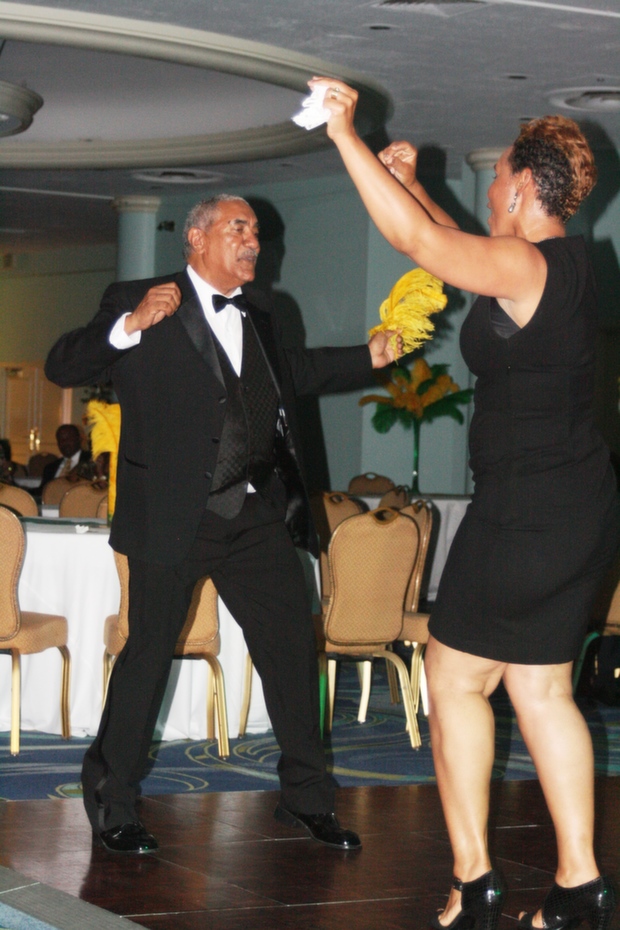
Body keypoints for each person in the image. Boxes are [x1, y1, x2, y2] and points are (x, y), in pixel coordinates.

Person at [310, 76, 620, 930]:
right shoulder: (567, 265)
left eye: (497, 180)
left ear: (522, 189)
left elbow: (417, 241)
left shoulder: (525, 265)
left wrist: (345, 135)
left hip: (524, 508)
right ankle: (579, 888)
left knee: (452, 678)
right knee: (542, 690)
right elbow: (450, 244)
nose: (489, 192)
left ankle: (476, 882)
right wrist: (412, 181)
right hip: (578, 505)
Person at [44, 193, 399, 856]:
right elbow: (63, 364)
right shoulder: (137, 297)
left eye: (257, 231)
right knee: (149, 655)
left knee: (292, 652)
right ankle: (112, 800)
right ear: (197, 238)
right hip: (173, 515)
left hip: (256, 513)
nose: (253, 241)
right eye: (239, 228)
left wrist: (368, 356)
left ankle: (306, 799)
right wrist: (129, 325)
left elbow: (294, 373)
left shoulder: (261, 312)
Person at [41, 423, 92, 488]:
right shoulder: (50, 468)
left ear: (79, 439)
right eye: (61, 440)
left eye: (68, 438)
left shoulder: (91, 461)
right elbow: (43, 490)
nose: (65, 443)